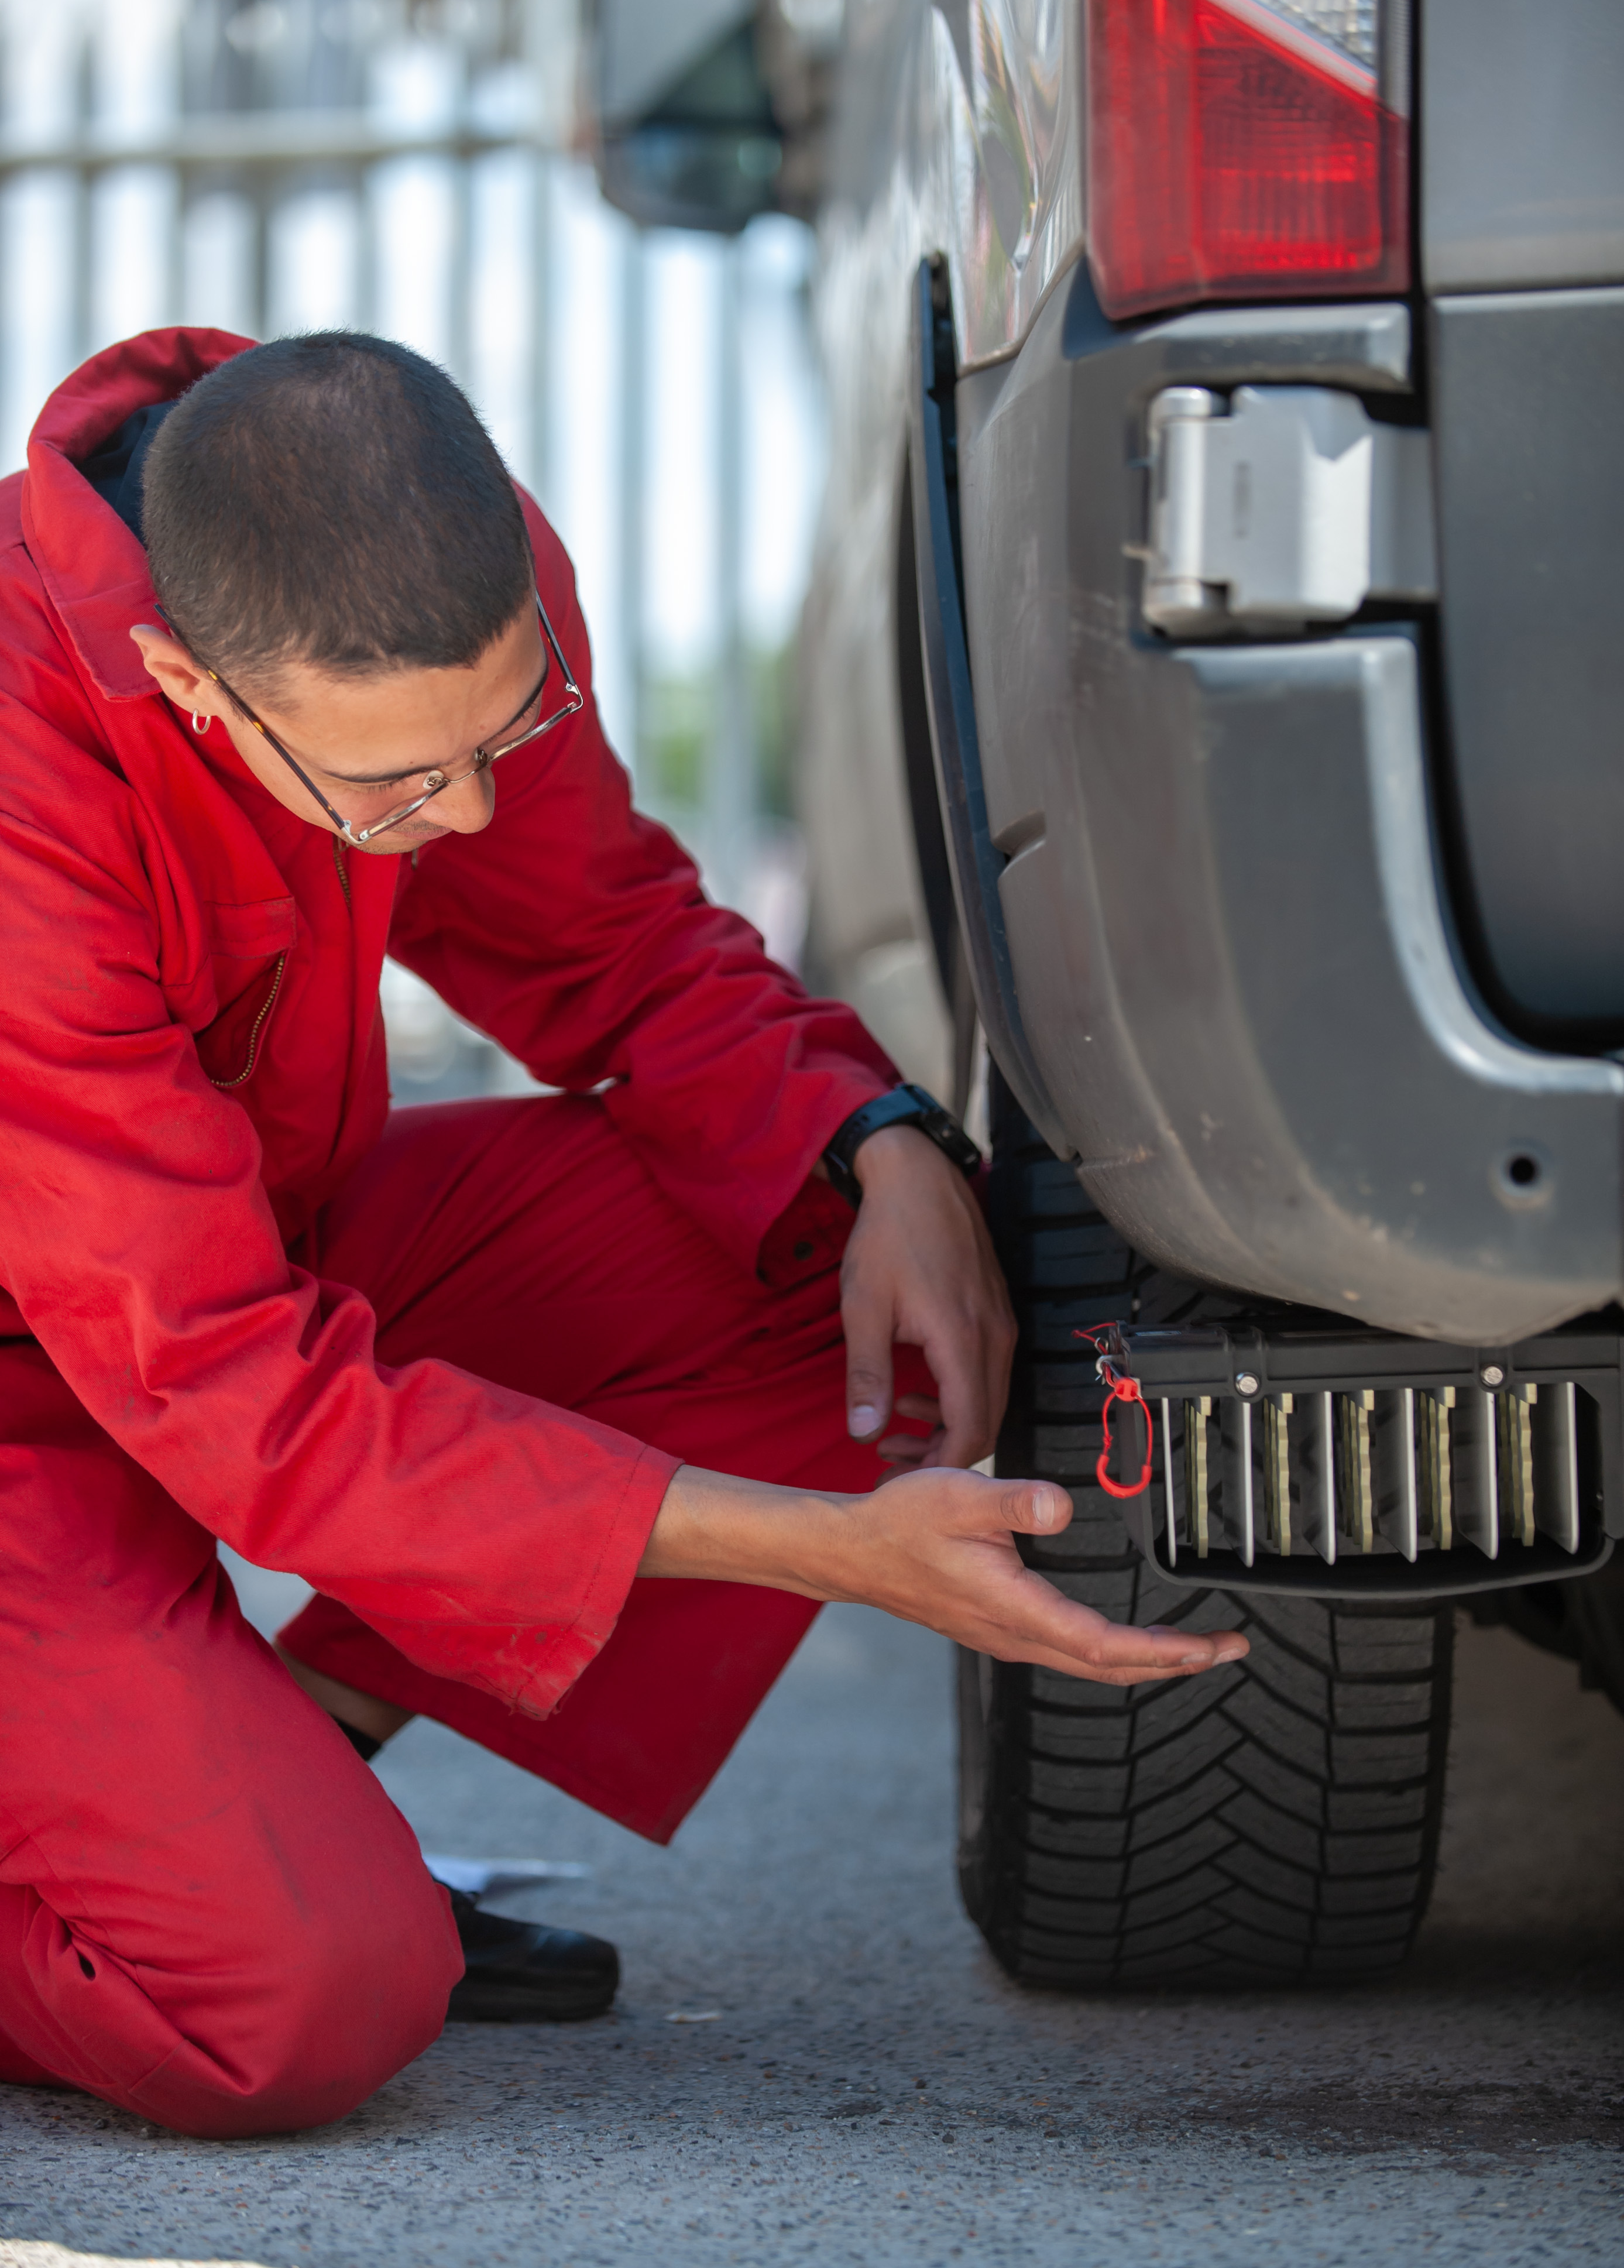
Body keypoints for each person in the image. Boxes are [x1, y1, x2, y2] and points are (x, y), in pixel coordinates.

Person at [0, 327, 1245, 2140]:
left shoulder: (424, 574)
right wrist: (821, 1550)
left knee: (827, 1248)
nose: (470, 810)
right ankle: (201, 1874)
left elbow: (607, 933)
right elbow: (236, 1400)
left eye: (500, 732)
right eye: (399, 789)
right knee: (296, 1999)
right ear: (190, 688)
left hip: (233, 1262)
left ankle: (291, 1779)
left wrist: (878, 1139)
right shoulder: (24, 798)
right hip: (60, 1392)